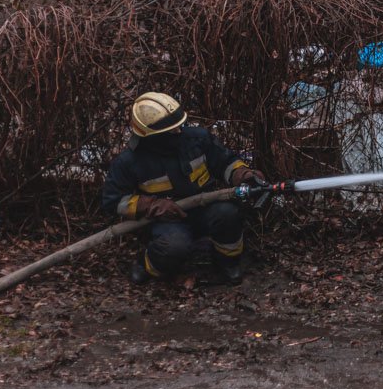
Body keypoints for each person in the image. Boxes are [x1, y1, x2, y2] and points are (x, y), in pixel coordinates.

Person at [101, 92, 266, 285]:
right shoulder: (130, 162)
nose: (178, 132)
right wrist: (153, 206)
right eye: (171, 130)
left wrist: (244, 176)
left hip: (206, 207)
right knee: (174, 246)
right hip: (167, 221)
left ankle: (227, 261)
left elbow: (226, 163)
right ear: (151, 137)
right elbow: (113, 201)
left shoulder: (197, 139)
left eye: (179, 126)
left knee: (228, 214)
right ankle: (147, 264)